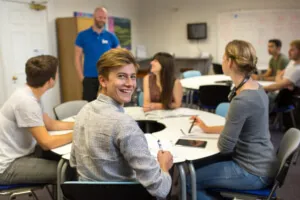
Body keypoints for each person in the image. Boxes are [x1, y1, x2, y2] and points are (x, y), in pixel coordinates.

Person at [70, 48, 173, 199]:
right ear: (103, 81)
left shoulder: (83, 111)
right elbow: (161, 189)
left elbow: (74, 161)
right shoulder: (124, 124)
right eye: (121, 76)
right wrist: (164, 165)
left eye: (132, 77)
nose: (130, 84)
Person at [188, 40, 278, 200]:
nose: (222, 60)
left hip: (252, 170)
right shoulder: (256, 87)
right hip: (263, 161)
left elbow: (225, 147)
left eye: (223, 57)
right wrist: (208, 128)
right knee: (196, 166)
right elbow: (240, 128)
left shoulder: (243, 99)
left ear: (229, 61)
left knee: (189, 180)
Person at [0, 55, 74, 184]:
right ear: (51, 80)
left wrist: (81, 124)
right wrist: (79, 132)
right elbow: (46, 143)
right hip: (8, 165)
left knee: (70, 161)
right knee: (69, 171)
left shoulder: (29, 93)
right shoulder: (27, 102)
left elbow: (50, 124)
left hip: (24, 152)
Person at [75, 7, 120, 102]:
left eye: (104, 18)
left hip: (107, 77)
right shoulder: (82, 35)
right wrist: (81, 78)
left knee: (108, 104)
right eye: (100, 17)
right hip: (89, 78)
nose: (102, 20)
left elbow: (119, 56)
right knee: (89, 106)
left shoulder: (111, 36)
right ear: (94, 17)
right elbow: (77, 58)